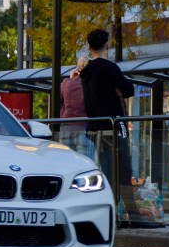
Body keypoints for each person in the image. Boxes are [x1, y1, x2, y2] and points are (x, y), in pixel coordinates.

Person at [79, 28, 139, 219]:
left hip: (95, 127)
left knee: (105, 168)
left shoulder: (85, 70)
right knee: (123, 167)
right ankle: (131, 211)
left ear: (89, 46)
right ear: (107, 45)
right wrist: (117, 90)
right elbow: (129, 89)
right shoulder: (109, 67)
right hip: (115, 124)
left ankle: (108, 209)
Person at [60, 57, 94, 157]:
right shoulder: (89, 83)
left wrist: (71, 79)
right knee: (85, 164)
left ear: (77, 69)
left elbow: (59, 97)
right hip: (83, 126)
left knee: (67, 163)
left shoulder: (66, 82)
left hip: (66, 127)